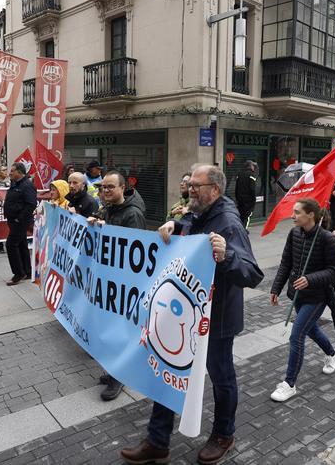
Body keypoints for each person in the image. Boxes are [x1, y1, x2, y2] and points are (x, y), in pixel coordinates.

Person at [120, 165, 263, 465]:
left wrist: (229, 256)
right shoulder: (197, 213)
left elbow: (252, 274)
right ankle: (157, 441)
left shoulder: (229, 223)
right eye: (189, 183)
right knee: (167, 372)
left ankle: (224, 434)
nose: (190, 188)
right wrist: (175, 226)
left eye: (196, 185)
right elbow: (188, 231)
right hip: (184, 315)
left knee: (221, 378)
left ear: (215, 189)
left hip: (216, 321)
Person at [268, 199, 335, 402]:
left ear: (311, 215)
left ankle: (289, 384)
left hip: (317, 296)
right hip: (297, 294)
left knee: (297, 335)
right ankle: (332, 353)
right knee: (310, 329)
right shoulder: (294, 233)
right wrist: (276, 288)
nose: (292, 216)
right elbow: (286, 263)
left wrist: (310, 279)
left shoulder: (326, 238)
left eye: (297, 212)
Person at [89, 170, 147, 401]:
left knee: (120, 332)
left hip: (124, 285)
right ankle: (114, 369)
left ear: (123, 188)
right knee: (109, 330)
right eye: (103, 187)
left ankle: (120, 376)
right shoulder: (107, 209)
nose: (106, 191)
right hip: (109, 280)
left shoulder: (132, 214)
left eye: (111, 187)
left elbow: (136, 253)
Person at [3, 162, 37, 286]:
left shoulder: (27, 185)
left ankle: (18, 273)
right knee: (21, 244)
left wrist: (19, 218)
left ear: (19, 172)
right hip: (13, 220)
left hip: (20, 221)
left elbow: (31, 204)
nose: (10, 173)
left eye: (12, 171)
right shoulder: (15, 184)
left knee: (11, 245)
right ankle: (27, 271)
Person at [234, 160, 258, 229]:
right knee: (247, 216)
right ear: (250, 166)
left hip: (240, 199)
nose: (254, 167)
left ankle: (239, 229)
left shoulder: (240, 174)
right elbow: (252, 189)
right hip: (248, 199)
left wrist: (237, 198)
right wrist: (253, 199)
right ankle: (243, 231)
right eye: (253, 166)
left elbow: (236, 187)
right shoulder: (251, 175)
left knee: (241, 215)